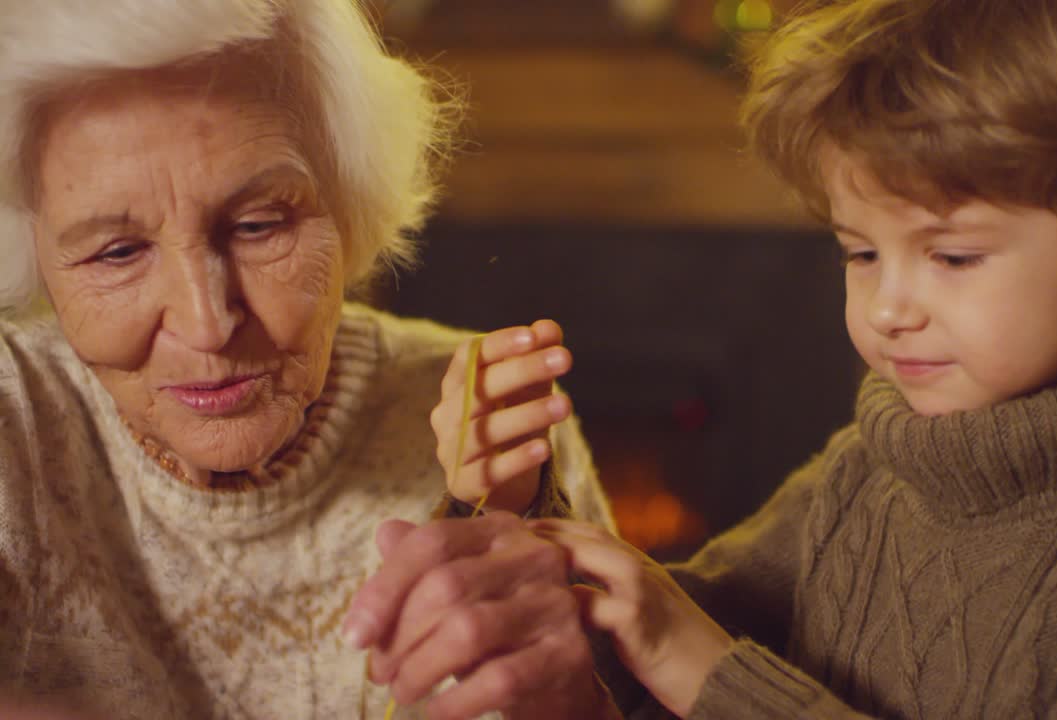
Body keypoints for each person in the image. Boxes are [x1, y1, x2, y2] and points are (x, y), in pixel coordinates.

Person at [400, 0, 1057, 718]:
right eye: (861, 253)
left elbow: (692, 661)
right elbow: (643, 668)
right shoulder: (866, 471)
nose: (889, 308)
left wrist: (704, 667)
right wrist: (514, 509)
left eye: (952, 256)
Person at [0, 1, 614, 718]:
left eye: (259, 226)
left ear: (351, 205)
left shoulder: (493, 424)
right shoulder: (14, 423)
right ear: (31, 251)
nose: (206, 325)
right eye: (119, 252)